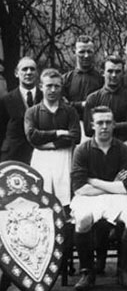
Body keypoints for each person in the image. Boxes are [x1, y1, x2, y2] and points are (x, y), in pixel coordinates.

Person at [70, 106, 127, 291]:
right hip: (87, 198)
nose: (104, 126)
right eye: (100, 122)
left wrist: (94, 181)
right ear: (92, 125)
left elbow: (125, 187)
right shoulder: (82, 150)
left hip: (116, 197)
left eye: (108, 122)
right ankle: (87, 272)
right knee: (82, 219)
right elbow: (79, 188)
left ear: (114, 124)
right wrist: (111, 185)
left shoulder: (123, 149)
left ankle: (124, 271)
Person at [25, 68, 81, 206]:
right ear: (41, 86)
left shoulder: (69, 111)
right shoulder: (32, 112)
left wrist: (52, 144)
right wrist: (58, 133)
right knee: (41, 195)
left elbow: (76, 136)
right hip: (41, 157)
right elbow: (32, 135)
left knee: (65, 195)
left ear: (61, 88)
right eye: (49, 86)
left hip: (64, 155)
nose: (53, 90)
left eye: (57, 86)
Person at [0, 57, 42, 163]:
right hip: (12, 157)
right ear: (16, 73)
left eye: (32, 69)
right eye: (24, 69)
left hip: (39, 156)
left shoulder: (45, 98)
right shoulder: (6, 100)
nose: (29, 72)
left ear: (37, 73)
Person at [62, 35, 104, 123]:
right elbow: (63, 105)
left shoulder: (101, 79)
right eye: (82, 52)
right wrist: (82, 104)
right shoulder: (65, 79)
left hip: (95, 124)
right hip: (70, 125)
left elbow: (103, 103)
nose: (86, 55)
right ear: (74, 52)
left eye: (89, 51)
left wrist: (73, 104)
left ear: (94, 53)